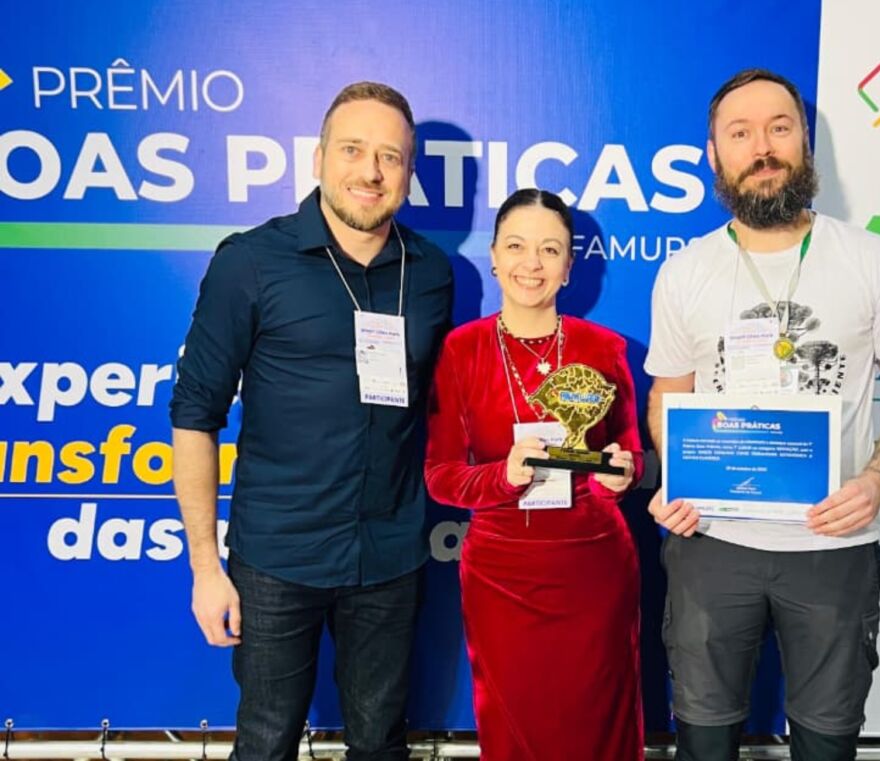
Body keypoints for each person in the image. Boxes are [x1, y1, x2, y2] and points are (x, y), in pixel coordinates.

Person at [645, 68, 880, 761]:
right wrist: (676, 476)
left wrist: (877, 481)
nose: (763, 148)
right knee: (704, 740)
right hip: (711, 543)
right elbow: (666, 396)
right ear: (714, 154)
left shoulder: (873, 259)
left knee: (826, 741)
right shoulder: (685, 271)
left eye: (779, 128)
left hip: (833, 545)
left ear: (805, 141)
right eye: (740, 133)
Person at [170, 81, 453, 761]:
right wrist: (205, 567)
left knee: (380, 743)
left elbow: (444, 409)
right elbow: (195, 416)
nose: (371, 171)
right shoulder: (250, 261)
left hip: (390, 557)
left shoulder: (432, 273)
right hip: (277, 558)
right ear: (320, 158)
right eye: (353, 149)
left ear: (408, 173)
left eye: (390, 156)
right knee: (266, 743)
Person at [424, 188, 644, 761]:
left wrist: (619, 475)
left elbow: (630, 453)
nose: (532, 263)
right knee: (515, 728)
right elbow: (440, 476)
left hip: (594, 568)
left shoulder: (605, 348)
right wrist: (502, 476)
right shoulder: (461, 351)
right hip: (502, 576)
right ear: (494, 257)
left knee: (597, 725)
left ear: (569, 266)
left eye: (550, 250)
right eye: (517, 246)